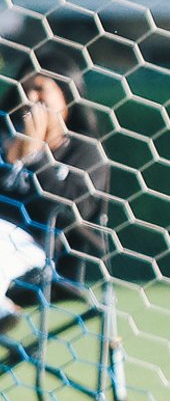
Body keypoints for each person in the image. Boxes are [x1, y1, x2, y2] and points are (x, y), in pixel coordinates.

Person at [0, 53, 111, 335]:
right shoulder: (7, 144)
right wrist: (9, 162)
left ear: (67, 95)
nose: (30, 97)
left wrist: (36, 157)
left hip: (45, 251)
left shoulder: (85, 152)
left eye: (39, 88)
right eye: (25, 89)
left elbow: (72, 214)